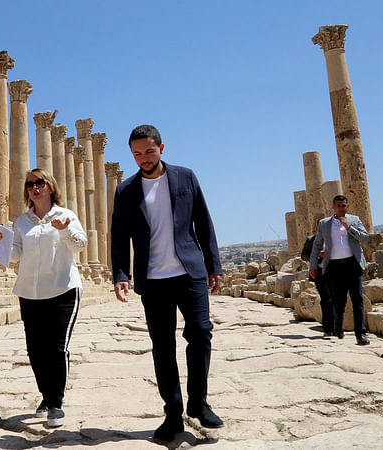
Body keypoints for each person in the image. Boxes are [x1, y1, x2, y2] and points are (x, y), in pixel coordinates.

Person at [111, 124, 224, 443]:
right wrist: (120, 273)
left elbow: (203, 221)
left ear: (161, 148)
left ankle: (199, 404)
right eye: (136, 154)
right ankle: (173, 414)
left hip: (190, 272)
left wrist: (214, 265)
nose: (143, 158)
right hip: (153, 278)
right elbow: (119, 235)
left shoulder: (185, 176)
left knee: (201, 332)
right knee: (163, 347)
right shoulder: (125, 190)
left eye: (148, 151)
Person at [0, 168, 86, 427]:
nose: (34, 187)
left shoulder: (66, 215)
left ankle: (56, 404)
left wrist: (65, 230)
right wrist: (3, 243)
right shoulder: (22, 221)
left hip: (62, 289)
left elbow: (80, 245)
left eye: (39, 182)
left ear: (50, 187)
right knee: (36, 350)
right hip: (30, 291)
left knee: (57, 348)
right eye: (29, 184)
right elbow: (15, 256)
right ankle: (46, 396)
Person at [309, 195, 370, 345]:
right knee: (338, 300)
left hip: (353, 264)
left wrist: (349, 227)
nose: (341, 208)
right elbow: (317, 245)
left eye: (344, 206)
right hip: (334, 266)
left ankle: (360, 334)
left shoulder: (354, 220)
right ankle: (338, 327)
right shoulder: (324, 224)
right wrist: (313, 266)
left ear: (347, 206)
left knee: (357, 299)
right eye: (339, 206)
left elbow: (365, 238)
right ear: (333, 207)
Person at [301, 232, 335, 339]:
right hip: (319, 273)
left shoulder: (336, 238)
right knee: (326, 299)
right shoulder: (311, 240)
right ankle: (328, 329)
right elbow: (304, 256)